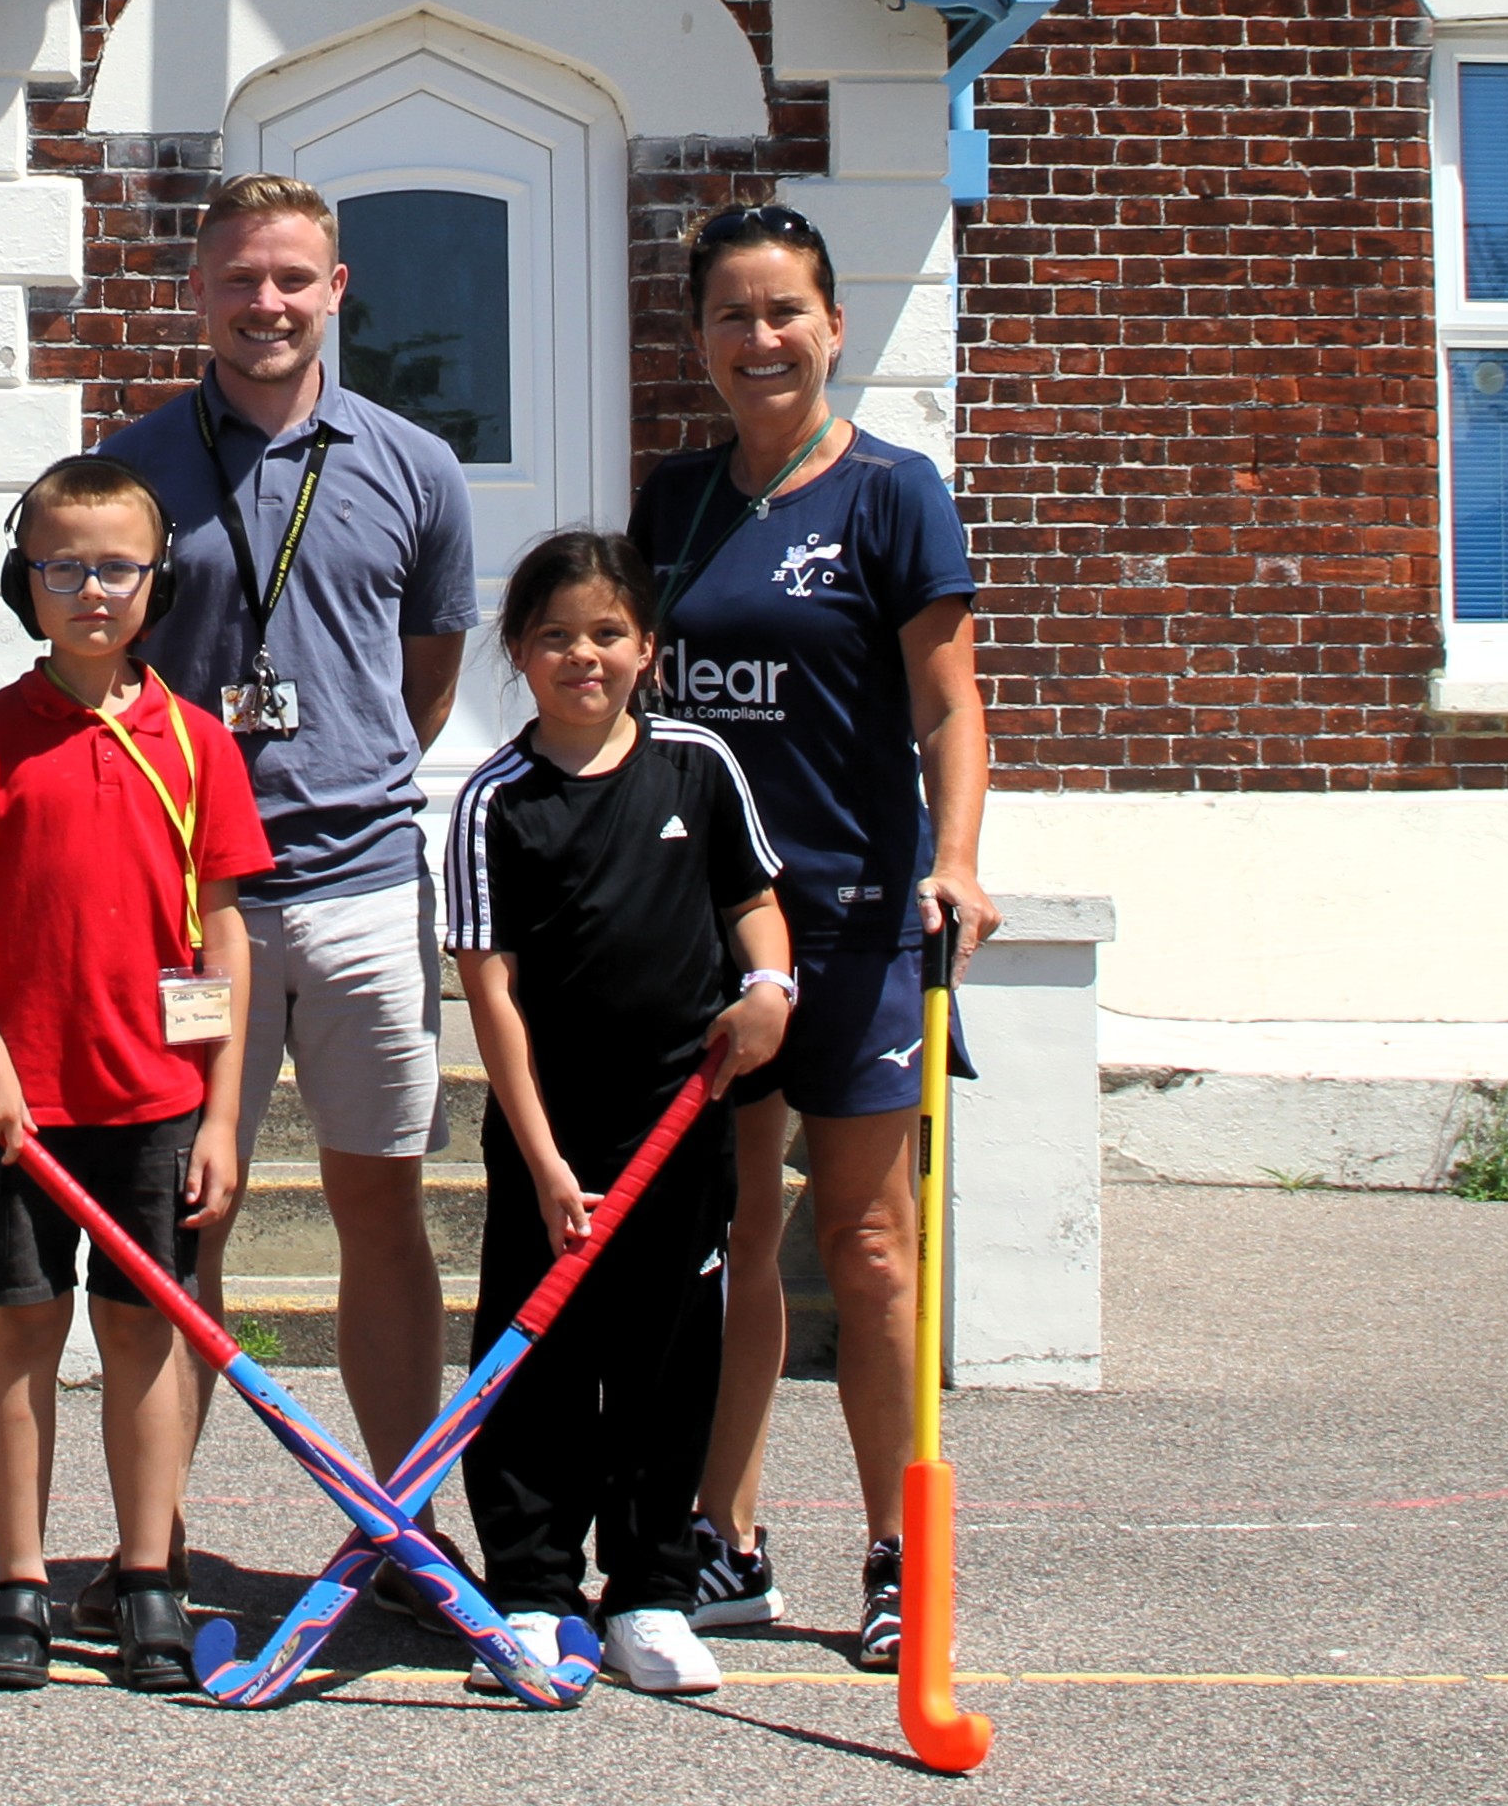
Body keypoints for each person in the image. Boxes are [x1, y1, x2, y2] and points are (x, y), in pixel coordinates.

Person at [628, 200, 999, 1671]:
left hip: (855, 921)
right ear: (701, 339)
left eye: (785, 310)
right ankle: (726, 1538)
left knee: (871, 1244)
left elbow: (949, 703)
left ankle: (901, 1552)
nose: (760, 337)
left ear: (834, 326)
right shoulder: (677, 503)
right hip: (712, 931)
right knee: (729, 1242)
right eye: (732, 313)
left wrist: (957, 859)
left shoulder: (897, 493)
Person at [100, 174, 479, 1523]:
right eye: (241, 279)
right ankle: (159, 1549)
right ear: (199, 292)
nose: (267, 303)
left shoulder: (414, 468)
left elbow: (426, 678)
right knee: (187, 1211)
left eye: (293, 279)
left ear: (338, 290)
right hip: (198, 912)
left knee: (382, 1210)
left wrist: (340, 772)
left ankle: (407, 1524)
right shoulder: (134, 469)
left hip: (364, 891)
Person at [0, 456, 265, 1695]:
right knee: (23, 1336)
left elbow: (221, 938)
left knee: (147, 1342)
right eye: (64, 567)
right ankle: (19, 1580)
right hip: (25, 1117)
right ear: (25, 579)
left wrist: (219, 1110)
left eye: (117, 567)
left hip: (155, 1105)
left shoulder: (201, 744)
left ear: (157, 582)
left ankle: (150, 1575)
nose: (92, 590)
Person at [443, 530, 797, 1698]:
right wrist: (542, 1158)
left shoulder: (699, 766)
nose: (581, 656)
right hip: (556, 1139)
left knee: (665, 1361)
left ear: (647, 647)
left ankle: (648, 1588)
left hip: (679, 1128)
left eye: (606, 633)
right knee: (534, 1358)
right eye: (554, 636)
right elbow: (489, 990)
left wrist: (770, 992)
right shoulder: (497, 800)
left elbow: (752, 905)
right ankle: (534, 1590)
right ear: (519, 652)